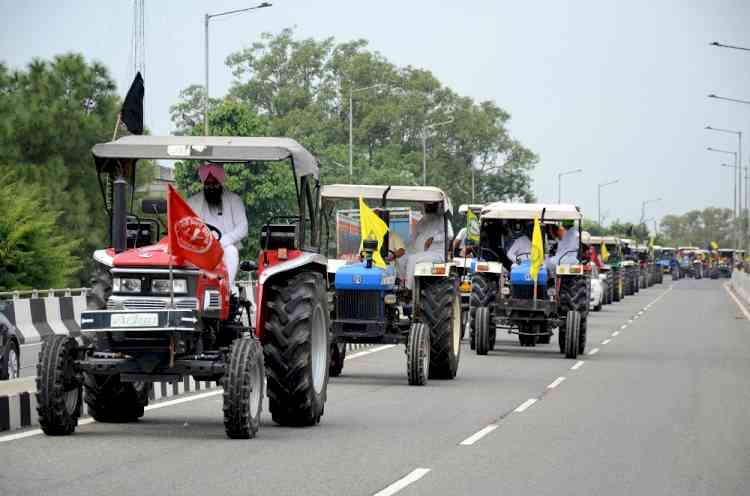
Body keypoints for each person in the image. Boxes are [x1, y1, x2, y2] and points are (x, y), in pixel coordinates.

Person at [187, 163, 248, 292]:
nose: (211, 187)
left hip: (225, 246)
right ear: (203, 184)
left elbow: (243, 228)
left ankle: (228, 289)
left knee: (231, 251)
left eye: (214, 184)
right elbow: (187, 227)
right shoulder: (192, 202)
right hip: (199, 247)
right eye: (208, 184)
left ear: (220, 183)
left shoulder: (234, 200)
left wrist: (222, 242)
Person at [394, 201, 453, 289]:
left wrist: (434, 238)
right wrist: (402, 248)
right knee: (400, 258)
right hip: (419, 252)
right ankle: (402, 283)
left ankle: (409, 289)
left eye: (431, 205)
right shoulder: (422, 221)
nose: (428, 207)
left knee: (412, 259)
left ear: (437, 206)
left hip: (435, 254)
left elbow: (450, 235)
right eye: (427, 205)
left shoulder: (443, 220)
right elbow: (413, 238)